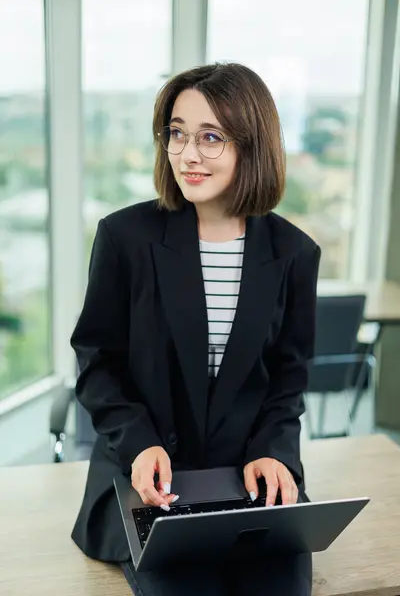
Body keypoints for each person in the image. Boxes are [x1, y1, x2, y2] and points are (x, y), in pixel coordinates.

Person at [70, 62, 321, 596]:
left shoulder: (295, 253)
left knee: (281, 586)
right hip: (146, 476)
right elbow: (96, 363)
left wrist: (274, 451)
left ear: (252, 146)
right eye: (177, 134)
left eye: (211, 137)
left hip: (247, 477)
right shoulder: (125, 238)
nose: (188, 154)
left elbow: (288, 379)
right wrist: (139, 445)